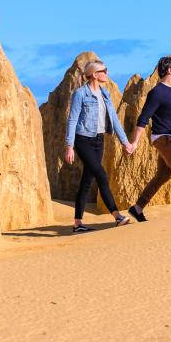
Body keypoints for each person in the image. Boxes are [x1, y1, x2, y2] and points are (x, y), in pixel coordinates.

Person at [63, 60, 136, 233]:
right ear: (95, 74)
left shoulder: (105, 94)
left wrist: (125, 142)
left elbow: (114, 119)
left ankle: (77, 224)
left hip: (98, 141)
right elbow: (72, 120)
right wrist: (69, 145)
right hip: (83, 140)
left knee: (87, 181)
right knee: (101, 175)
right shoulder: (80, 94)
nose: (107, 73)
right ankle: (117, 216)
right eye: (104, 70)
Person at [127, 55, 171, 221]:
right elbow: (143, 118)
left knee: (163, 175)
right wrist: (134, 142)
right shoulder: (157, 92)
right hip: (163, 138)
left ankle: (137, 208)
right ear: (170, 70)